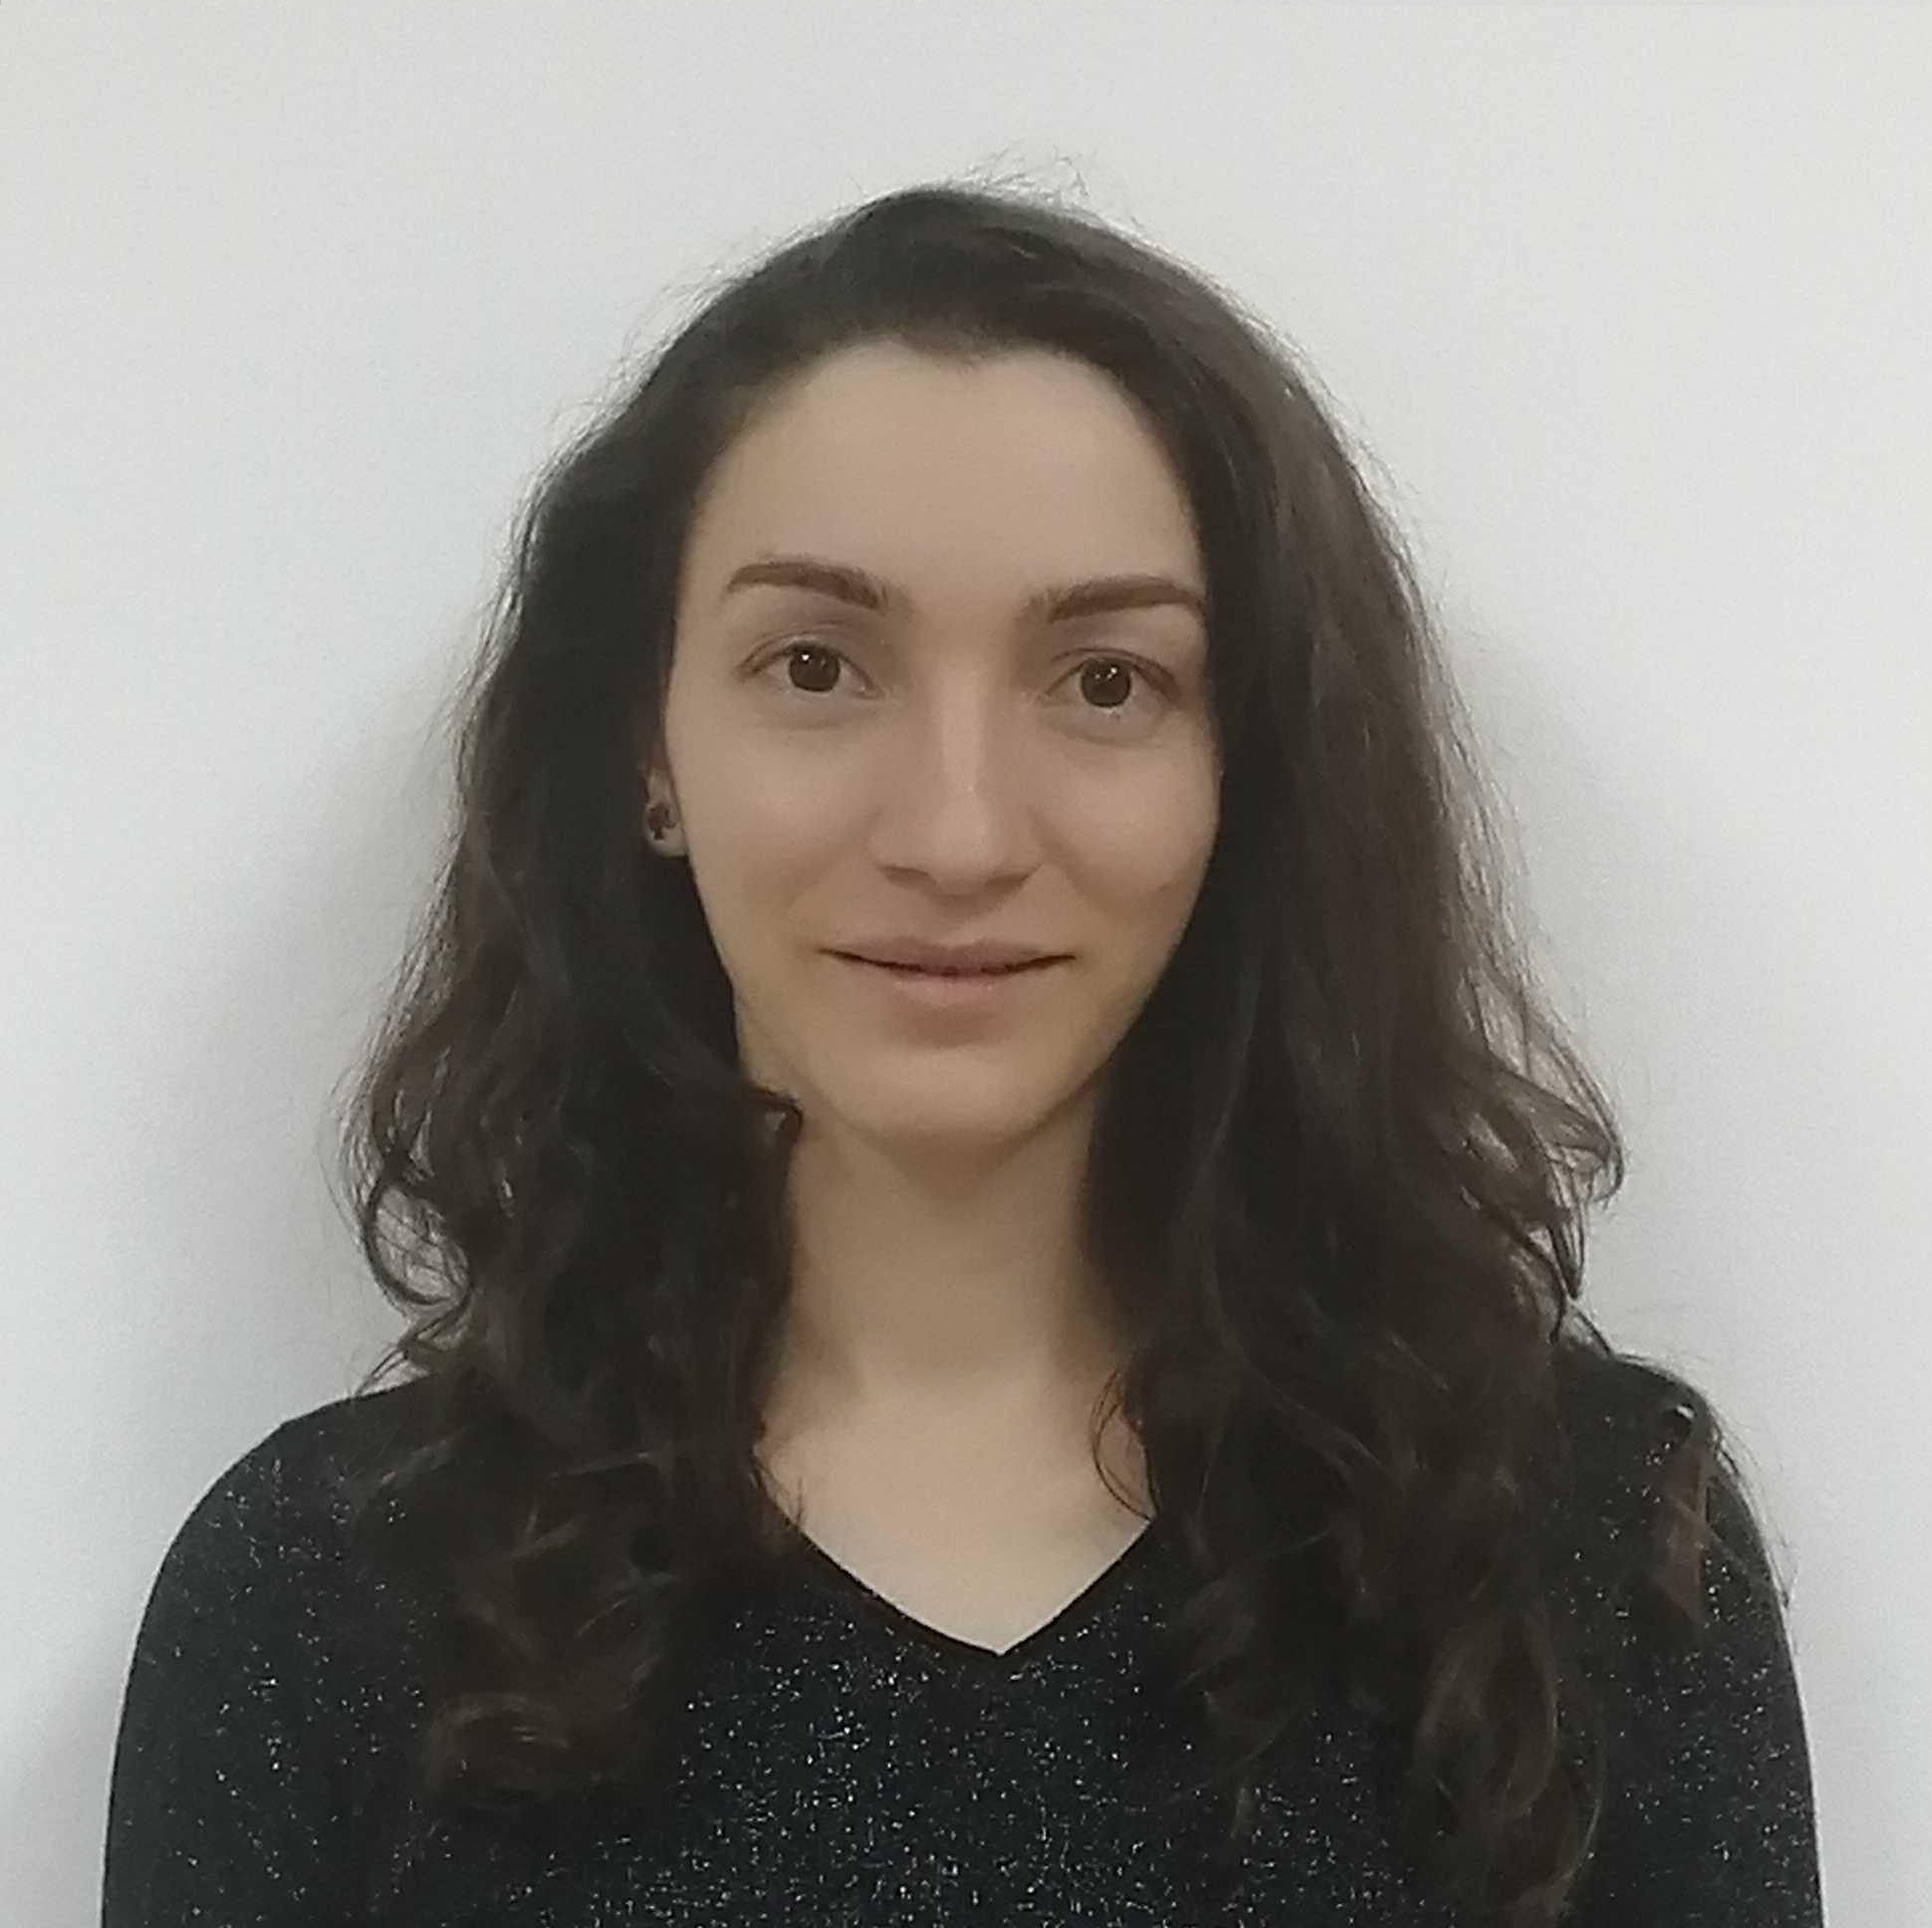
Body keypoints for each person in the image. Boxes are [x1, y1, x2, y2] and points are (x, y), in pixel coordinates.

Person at [102, 177, 1823, 1925]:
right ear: (649, 751)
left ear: (1245, 771)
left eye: (1105, 683)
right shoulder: (322, 1603)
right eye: (814, 665)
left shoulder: (1590, 1559)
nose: (957, 833)